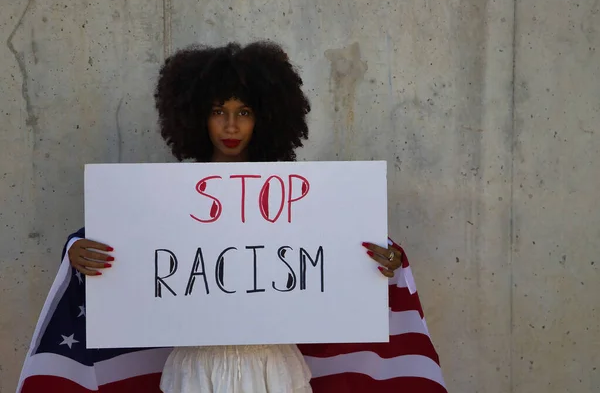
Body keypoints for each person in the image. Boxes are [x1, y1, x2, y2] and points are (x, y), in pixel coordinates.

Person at [64, 41, 405, 393]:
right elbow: (120, 237)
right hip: (198, 368)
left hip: (272, 368)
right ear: (196, 116)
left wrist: (385, 257)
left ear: (264, 117)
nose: (230, 126)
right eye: (218, 111)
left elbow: (339, 241)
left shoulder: (297, 195)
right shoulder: (170, 193)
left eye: (243, 112)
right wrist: (76, 248)